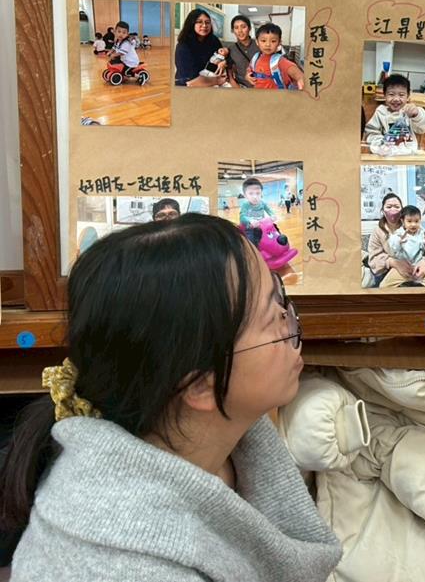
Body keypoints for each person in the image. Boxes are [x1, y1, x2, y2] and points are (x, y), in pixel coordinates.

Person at [0, 214, 342, 581]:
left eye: (281, 298)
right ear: (199, 385)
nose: (288, 321)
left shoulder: (228, 443)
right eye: (271, 317)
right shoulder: (130, 567)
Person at [363, 74, 425, 156]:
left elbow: (423, 127)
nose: (396, 99)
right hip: (385, 154)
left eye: (401, 95)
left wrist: (417, 115)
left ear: (408, 96)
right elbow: (370, 132)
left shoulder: (410, 111)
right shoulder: (380, 112)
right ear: (385, 95)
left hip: (408, 154)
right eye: (391, 94)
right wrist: (381, 144)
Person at [376, 205, 425, 288]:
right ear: (402, 221)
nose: (413, 224)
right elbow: (393, 250)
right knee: (383, 286)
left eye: (416, 221)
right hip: (402, 268)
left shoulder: (422, 233)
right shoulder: (398, 234)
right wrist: (399, 242)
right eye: (409, 221)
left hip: (420, 266)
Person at [174, 8, 225, 87]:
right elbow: (192, 80)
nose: (204, 25)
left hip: (211, 78)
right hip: (189, 84)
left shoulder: (214, 40)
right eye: (199, 22)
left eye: (207, 22)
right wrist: (217, 81)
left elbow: (223, 56)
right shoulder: (183, 46)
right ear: (191, 24)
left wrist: (224, 62)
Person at [246, 23, 305, 91]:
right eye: (263, 41)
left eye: (273, 41)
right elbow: (249, 70)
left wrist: (300, 79)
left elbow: (295, 72)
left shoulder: (279, 61)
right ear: (257, 42)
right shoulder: (255, 58)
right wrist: (247, 76)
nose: (268, 44)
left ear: (279, 42)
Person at [365, 193, 407, 286]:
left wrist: (424, 261)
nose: (393, 210)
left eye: (396, 207)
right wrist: (393, 262)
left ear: (402, 210)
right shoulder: (377, 231)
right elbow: (374, 259)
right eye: (389, 207)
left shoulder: (410, 225)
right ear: (383, 211)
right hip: (387, 269)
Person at [238, 177, 277, 246]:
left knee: (274, 229)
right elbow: (242, 216)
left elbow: (269, 210)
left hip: (262, 225)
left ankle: (276, 243)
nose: (255, 197)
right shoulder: (245, 205)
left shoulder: (262, 203)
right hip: (251, 227)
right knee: (250, 238)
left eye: (258, 193)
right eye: (251, 193)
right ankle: (252, 248)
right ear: (245, 195)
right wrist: (250, 220)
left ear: (261, 193)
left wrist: (272, 215)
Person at [227, 15, 258, 87]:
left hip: (260, 85)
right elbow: (229, 69)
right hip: (241, 85)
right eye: (236, 28)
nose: (240, 31)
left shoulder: (259, 45)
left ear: (249, 28)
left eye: (243, 27)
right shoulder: (231, 49)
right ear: (233, 31)